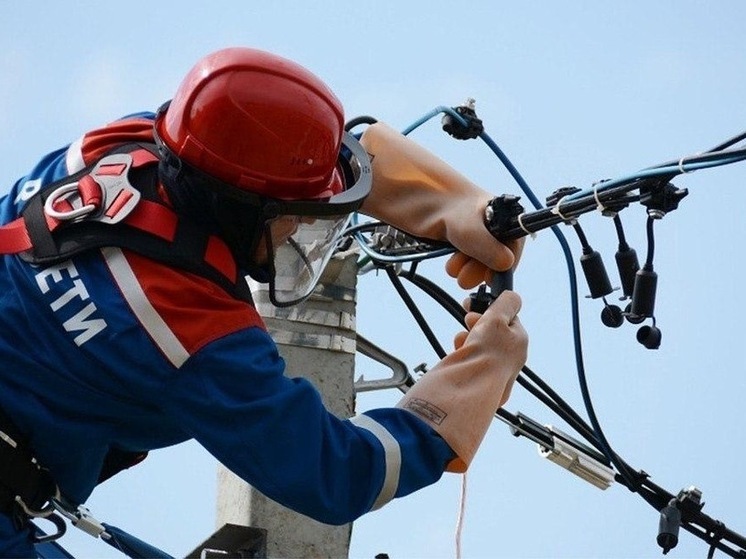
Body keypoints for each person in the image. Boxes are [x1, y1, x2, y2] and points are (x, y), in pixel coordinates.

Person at [0, 47, 527, 557]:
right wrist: (472, 381)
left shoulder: (126, 146)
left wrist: (451, 198)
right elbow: (338, 473)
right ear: (239, 208)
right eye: (293, 213)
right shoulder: (189, 327)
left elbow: (276, 139)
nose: (299, 227)